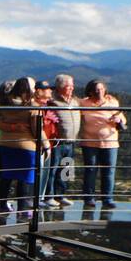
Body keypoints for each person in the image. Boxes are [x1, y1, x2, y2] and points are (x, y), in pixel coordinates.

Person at [0, 77, 47, 225]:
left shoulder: (6, 103)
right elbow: (37, 129)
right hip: (26, 146)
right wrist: (46, 144)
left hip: (5, 144)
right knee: (26, 177)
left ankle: (2, 204)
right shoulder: (32, 106)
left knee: (7, 174)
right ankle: (23, 209)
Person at [78, 79, 126, 208]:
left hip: (110, 143)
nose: (99, 92)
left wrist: (118, 119)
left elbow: (122, 118)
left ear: (105, 90)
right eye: (96, 90)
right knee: (90, 171)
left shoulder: (112, 102)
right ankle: (89, 198)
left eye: (101, 89)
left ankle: (107, 199)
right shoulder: (84, 103)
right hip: (89, 143)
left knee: (109, 172)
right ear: (90, 91)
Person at [48, 74, 80, 206]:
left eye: (72, 85)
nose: (72, 88)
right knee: (53, 170)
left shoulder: (74, 101)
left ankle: (61, 195)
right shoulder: (52, 101)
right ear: (60, 87)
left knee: (66, 171)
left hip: (71, 142)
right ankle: (49, 196)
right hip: (57, 142)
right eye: (69, 86)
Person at [33, 81, 63, 208]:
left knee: (58, 171)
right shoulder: (35, 106)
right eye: (48, 89)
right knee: (39, 172)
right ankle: (36, 199)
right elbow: (37, 128)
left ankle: (44, 197)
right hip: (40, 145)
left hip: (50, 144)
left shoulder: (49, 106)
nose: (51, 91)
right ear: (39, 91)